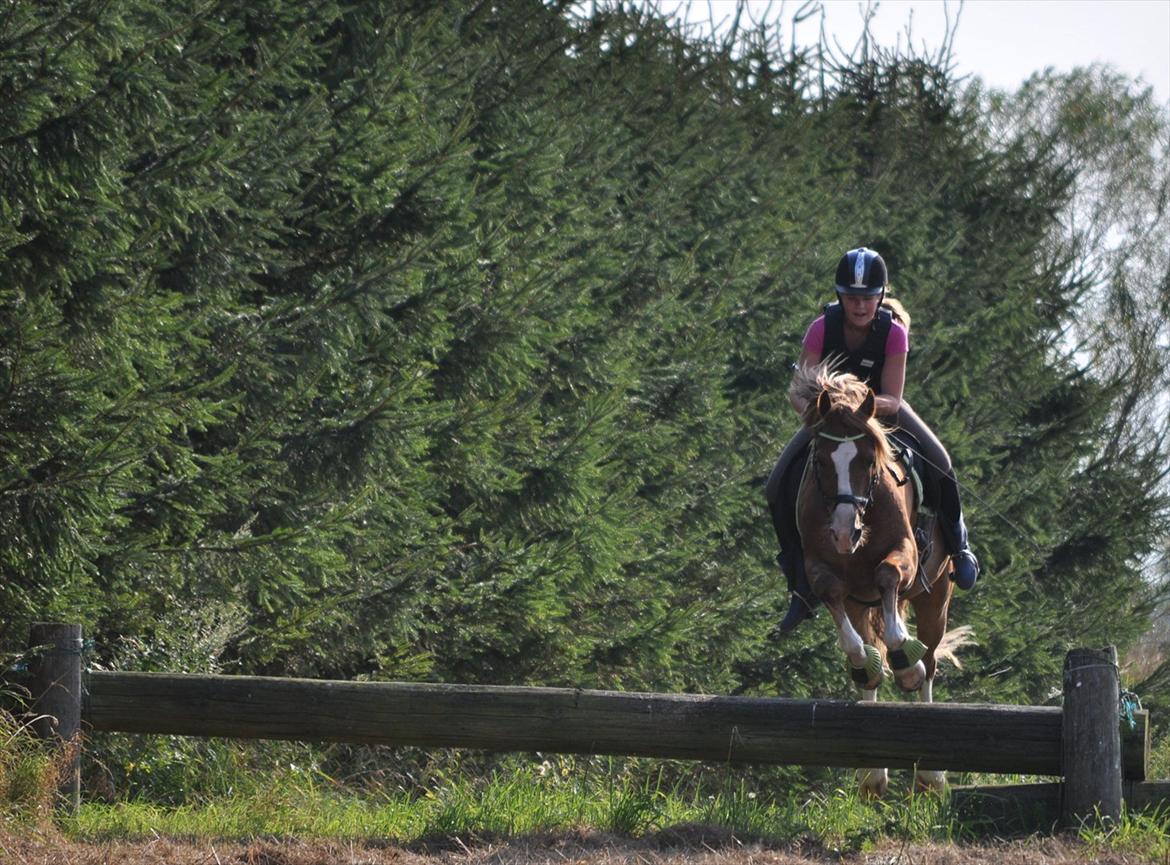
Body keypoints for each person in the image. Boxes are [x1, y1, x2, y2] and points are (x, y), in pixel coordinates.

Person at [766, 247, 980, 635]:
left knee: (941, 461)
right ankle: (799, 584)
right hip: (829, 422)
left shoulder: (893, 333)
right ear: (839, 296)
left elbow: (894, 398)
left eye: (867, 298)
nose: (859, 306)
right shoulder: (821, 328)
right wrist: (821, 414)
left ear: (879, 298)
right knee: (776, 483)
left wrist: (855, 405)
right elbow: (797, 391)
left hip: (880, 415)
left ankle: (959, 545)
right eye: (851, 297)